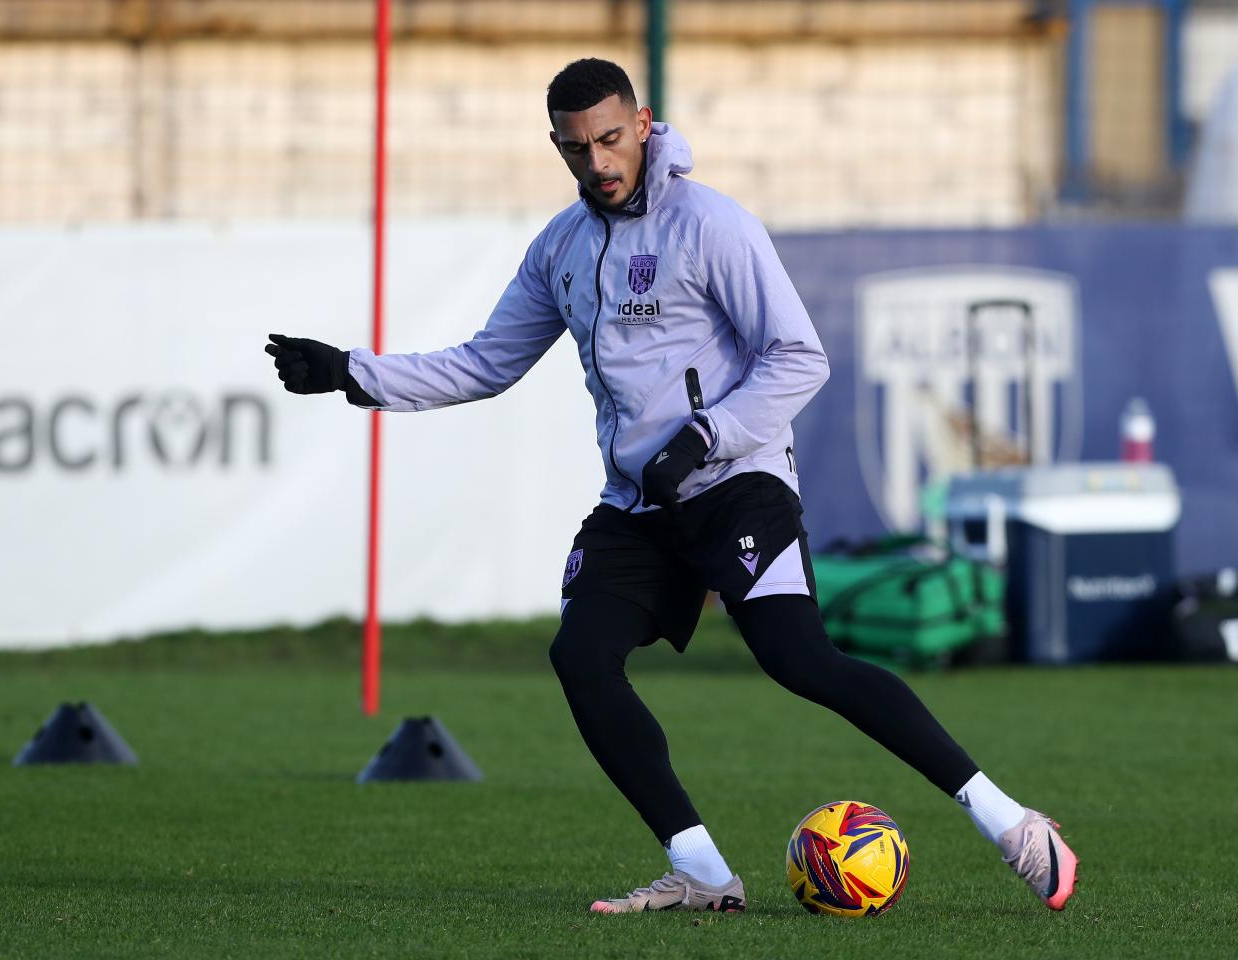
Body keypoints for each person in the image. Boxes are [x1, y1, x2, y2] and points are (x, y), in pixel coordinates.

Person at [264, 58, 1078, 915]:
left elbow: (801, 357)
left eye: (612, 139)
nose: (600, 162)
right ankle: (701, 871)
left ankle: (1012, 823)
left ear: (644, 124)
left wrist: (704, 437)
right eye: (578, 149)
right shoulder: (561, 250)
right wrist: (353, 372)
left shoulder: (710, 224)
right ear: (559, 147)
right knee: (580, 657)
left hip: (737, 481)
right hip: (641, 506)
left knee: (799, 660)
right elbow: (485, 364)